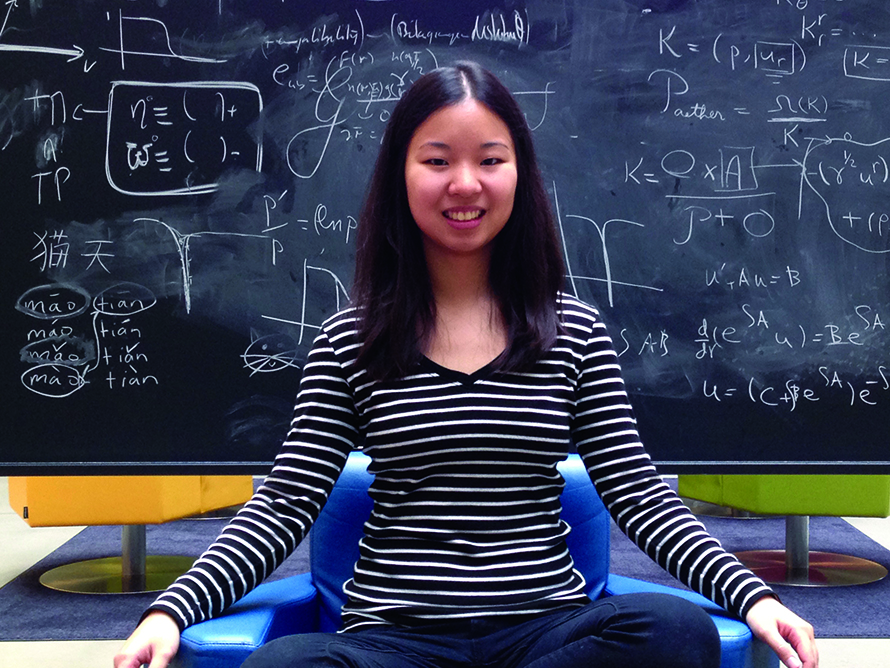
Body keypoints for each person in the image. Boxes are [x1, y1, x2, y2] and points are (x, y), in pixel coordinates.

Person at [114, 61, 818, 668]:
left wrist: (751, 595)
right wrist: (168, 613)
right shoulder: (348, 339)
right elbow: (285, 503)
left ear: (518, 173)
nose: (465, 183)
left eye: (489, 158)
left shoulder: (572, 331)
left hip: (546, 633)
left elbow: (638, 494)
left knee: (672, 631)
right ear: (402, 174)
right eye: (437, 159)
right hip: (394, 641)